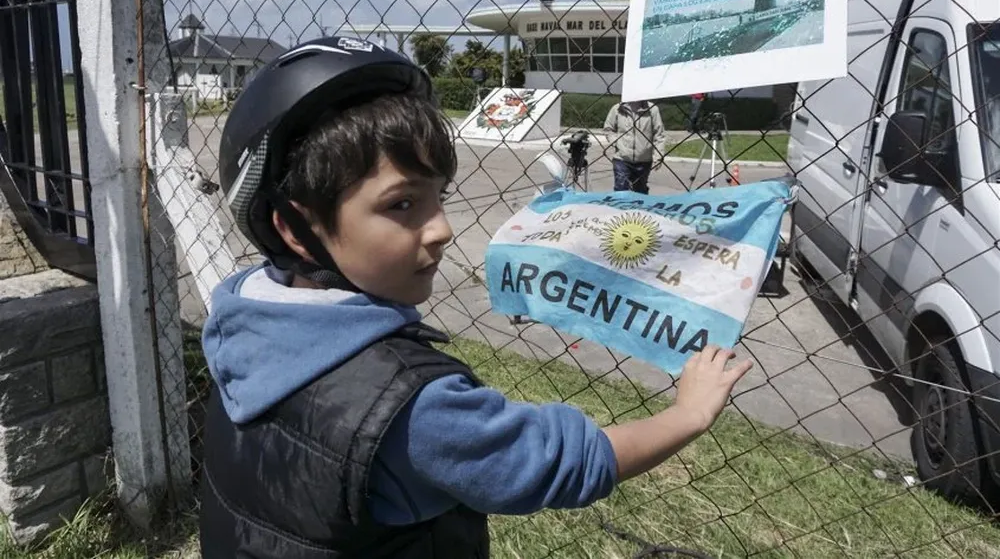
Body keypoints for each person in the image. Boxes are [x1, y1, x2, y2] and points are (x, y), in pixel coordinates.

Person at [200, 37, 753, 558]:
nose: (441, 228)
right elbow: (550, 465)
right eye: (401, 205)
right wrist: (687, 415)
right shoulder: (412, 408)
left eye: (438, 197)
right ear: (297, 229)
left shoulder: (240, 316)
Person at [603, 99, 667, 194]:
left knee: (640, 191)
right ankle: (621, 208)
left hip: (644, 160)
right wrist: (616, 143)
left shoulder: (652, 109)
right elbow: (608, 129)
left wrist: (658, 156)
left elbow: (659, 135)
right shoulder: (617, 108)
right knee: (621, 189)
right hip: (622, 158)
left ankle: (639, 207)